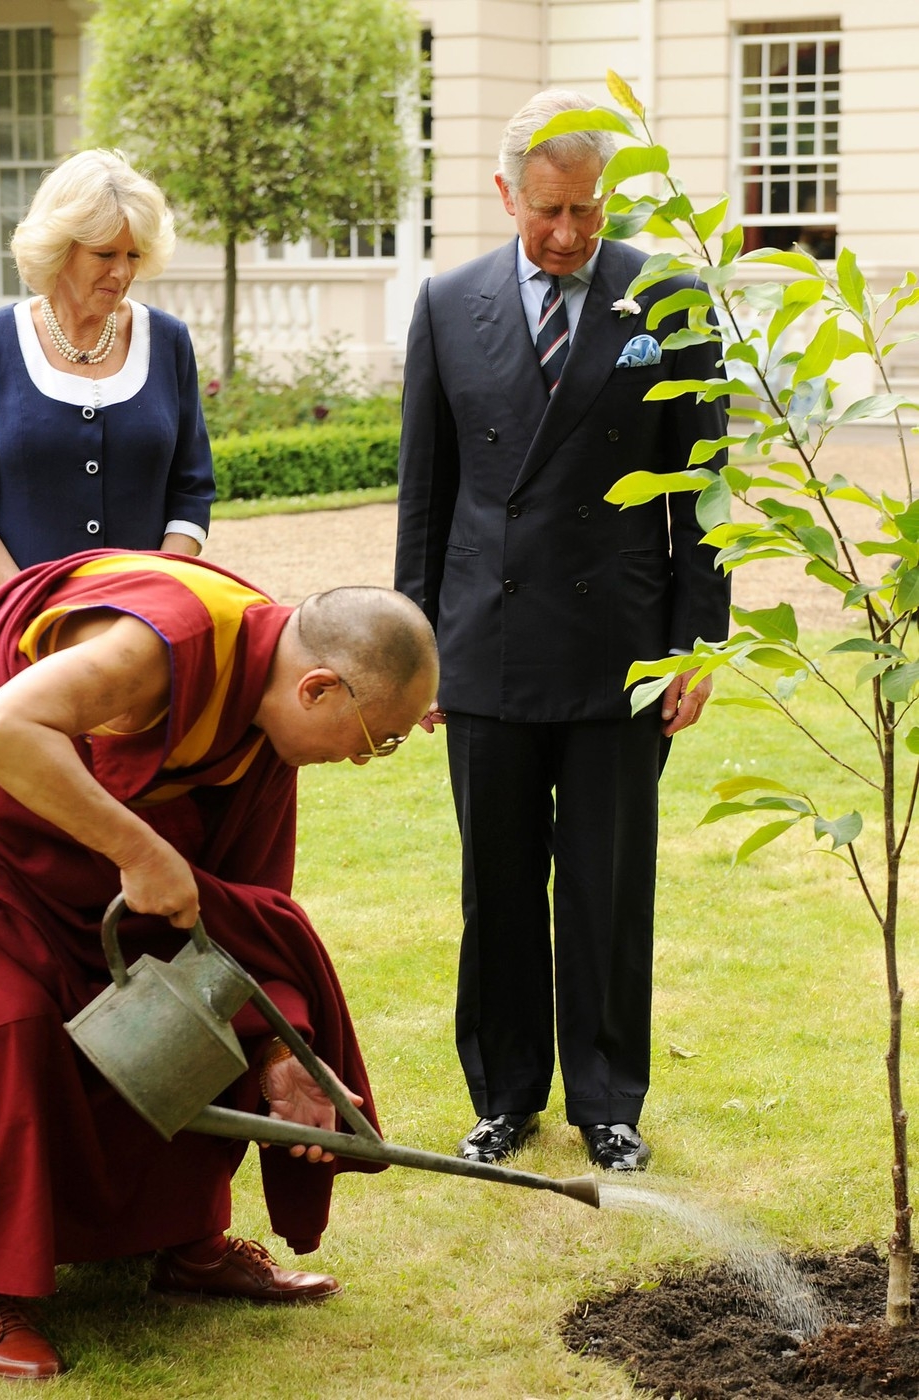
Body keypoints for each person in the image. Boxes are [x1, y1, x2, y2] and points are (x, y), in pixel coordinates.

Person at [0, 548, 438, 1380]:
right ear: (319, 689)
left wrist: (280, 1051)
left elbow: (242, 910)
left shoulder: (264, 711)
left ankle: (184, 1244)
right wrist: (138, 850)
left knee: (211, 992)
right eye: (373, 742)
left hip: (71, 832)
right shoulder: (167, 643)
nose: (357, 761)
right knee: (3, 1008)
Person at [394, 89, 731, 1175]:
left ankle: (609, 1100)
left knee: (606, 882)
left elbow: (706, 494)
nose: (570, 234)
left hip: (620, 647)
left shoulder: (669, 297)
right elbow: (425, 495)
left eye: (587, 211)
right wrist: (413, 649)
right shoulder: (447, 305)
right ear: (507, 194)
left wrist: (698, 645)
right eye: (548, 210)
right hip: (484, 646)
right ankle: (503, 1095)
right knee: (497, 884)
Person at [0, 149, 215, 597]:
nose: (122, 271)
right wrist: (24, 607)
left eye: (133, 254)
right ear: (61, 249)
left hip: (140, 623)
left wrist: (154, 591)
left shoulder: (167, 340)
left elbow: (191, 490)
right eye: (104, 253)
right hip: (17, 623)